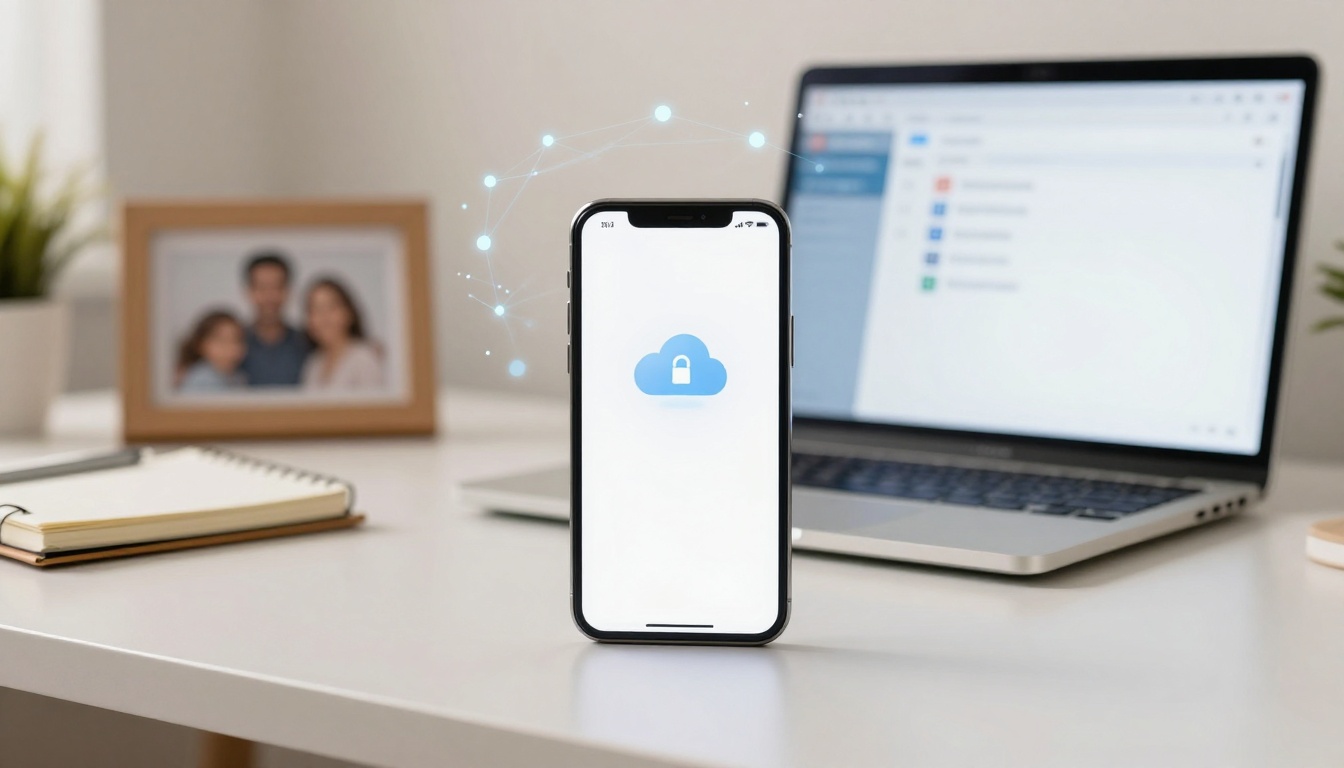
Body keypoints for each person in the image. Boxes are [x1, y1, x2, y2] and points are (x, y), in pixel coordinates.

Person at [301, 276, 386, 392]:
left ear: (349, 313)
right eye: (315, 310)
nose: (324, 318)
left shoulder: (363, 358)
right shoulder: (313, 363)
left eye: (331, 308)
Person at [239, 251, 311, 387]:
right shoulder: (234, 342)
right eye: (262, 287)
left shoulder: (307, 342)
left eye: (277, 287)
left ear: (288, 291)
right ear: (248, 292)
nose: (270, 296)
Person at [177, 310, 248, 392]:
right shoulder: (200, 379)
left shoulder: (239, 377)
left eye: (237, 340)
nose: (231, 347)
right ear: (201, 345)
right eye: (221, 341)